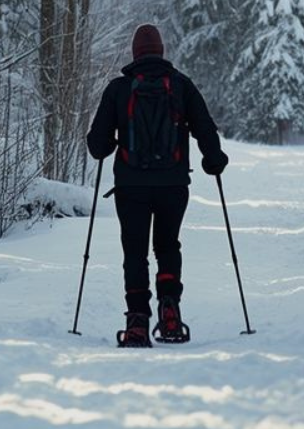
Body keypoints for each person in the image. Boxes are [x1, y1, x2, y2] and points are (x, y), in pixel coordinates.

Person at [85, 23, 227, 347]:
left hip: (130, 187)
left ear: (134, 53)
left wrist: (108, 142)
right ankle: (170, 311)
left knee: (134, 252)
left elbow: (97, 146)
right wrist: (214, 158)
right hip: (173, 185)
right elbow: (205, 127)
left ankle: (137, 321)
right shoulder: (181, 86)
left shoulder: (118, 89)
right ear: (161, 51)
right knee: (167, 246)